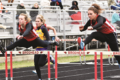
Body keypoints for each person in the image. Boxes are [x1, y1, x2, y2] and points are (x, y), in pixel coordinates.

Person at [33, 15, 59, 80]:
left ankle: (49, 58)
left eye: (38, 21)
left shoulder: (44, 28)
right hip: (37, 49)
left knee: (40, 63)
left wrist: (48, 51)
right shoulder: (35, 29)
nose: (36, 22)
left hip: (44, 48)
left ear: (41, 22)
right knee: (36, 65)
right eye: (36, 21)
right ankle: (39, 78)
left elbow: (49, 40)